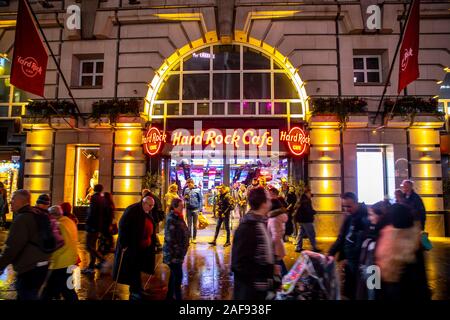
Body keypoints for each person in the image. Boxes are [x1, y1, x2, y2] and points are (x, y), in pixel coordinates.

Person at [0, 190, 51, 300]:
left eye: (13, 198)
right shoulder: (36, 213)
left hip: (29, 269)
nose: (10, 202)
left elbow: (12, 247)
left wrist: (1, 265)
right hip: (43, 264)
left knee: (26, 295)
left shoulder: (22, 219)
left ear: (21, 201)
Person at [375, 203, 431, 300]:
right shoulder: (415, 238)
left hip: (391, 291)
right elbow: (421, 278)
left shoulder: (384, 237)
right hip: (409, 292)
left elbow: (374, 269)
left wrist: (372, 291)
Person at [231, 187, 275, 300]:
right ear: (263, 203)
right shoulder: (247, 227)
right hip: (250, 293)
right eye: (269, 199)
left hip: (259, 289)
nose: (271, 202)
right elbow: (239, 264)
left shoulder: (260, 222)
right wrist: (265, 271)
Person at [112, 196, 157, 300]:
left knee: (137, 268)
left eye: (152, 206)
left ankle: (138, 289)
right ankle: (134, 291)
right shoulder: (132, 210)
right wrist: (124, 244)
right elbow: (122, 226)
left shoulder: (145, 210)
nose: (151, 208)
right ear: (144, 203)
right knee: (132, 269)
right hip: (131, 246)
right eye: (150, 205)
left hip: (140, 246)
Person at [328, 192, 369, 300]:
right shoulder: (349, 217)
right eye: (344, 206)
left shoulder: (364, 219)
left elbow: (360, 244)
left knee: (358, 291)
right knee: (349, 291)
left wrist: (351, 258)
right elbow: (341, 237)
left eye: (349, 206)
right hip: (349, 262)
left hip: (358, 263)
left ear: (356, 203)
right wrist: (331, 252)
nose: (346, 209)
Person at [41, 205, 79, 301]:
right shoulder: (69, 221)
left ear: (53, 215)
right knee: (65, 287)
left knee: (63, 289)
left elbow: (60, 244)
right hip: (70, 259)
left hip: (61, 262)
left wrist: (50, 258)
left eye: (49, 215)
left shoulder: (58, 225)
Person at [356, 201, 388, 300]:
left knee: (372, 293)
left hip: (373, 269)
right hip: (368, 268)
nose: (370, 218)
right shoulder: (372, 228)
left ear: (380, 215)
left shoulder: (383, 232)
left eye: (372, 215)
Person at [163, 198, 189, 300]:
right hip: (173, 254)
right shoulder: (172, 219)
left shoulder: (178, 217)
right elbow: (170, 239)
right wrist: (179, 252)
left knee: (174, 276)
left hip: (177, 253)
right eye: (181, 206)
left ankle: (169, 296)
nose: (183, 208)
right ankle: (178, 297)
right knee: (178, 276)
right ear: (175, 207)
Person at [82, 184, 105, 274]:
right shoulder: (101, 198)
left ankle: (101, 260)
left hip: (92, 226)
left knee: (88, 246)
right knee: (92, 246)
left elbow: (91, 212)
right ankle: (91, 266)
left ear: (95, 189)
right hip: (97, 226)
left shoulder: (94, 198)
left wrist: (87, 222)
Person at [267, 194, 288, 277]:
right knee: (280, 266)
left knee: (279, 269)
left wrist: (269, 244)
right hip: (278, 247)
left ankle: (285, 283)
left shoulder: (274, 219)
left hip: (275, 248)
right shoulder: (278, 216)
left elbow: (275, 236)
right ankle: (286, 281)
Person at [295, 187, 320, 253]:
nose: (310, 194)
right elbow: (307, 210)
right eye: (309, 192)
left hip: (301, 220)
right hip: (306, 220)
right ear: (307, 193)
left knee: (300, 234)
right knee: (311, 234)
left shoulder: (301, 199)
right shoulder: (306, 200)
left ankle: (298, 247)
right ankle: (314, 247)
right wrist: (314, 212)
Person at [144, 185, 165, 252]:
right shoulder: (155, 197)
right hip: (157, 217)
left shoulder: (148, 198)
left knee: (152, 232)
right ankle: (157, 245)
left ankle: (158, 245)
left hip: (153, 217)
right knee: (152, 232)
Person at [183, 178, 203, 244]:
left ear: (192, 183)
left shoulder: (197, 190)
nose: (188, 186)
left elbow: (200, 200)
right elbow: (184, 198)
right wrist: (185, 199)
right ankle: (189, 237)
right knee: (189, 225)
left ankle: (194, 238)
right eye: (187, 184)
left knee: (194, 225)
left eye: (189, 184)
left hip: (195, 209)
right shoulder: (186, 190)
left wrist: (200, 210)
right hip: (188, 209)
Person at [98, 192, 115, 257]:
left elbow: (107, 216)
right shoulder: (110, 204)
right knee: (105, 240)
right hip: (106, 225)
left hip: (105, 225)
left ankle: (103, 258)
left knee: (104, 241)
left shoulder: (107, 205)